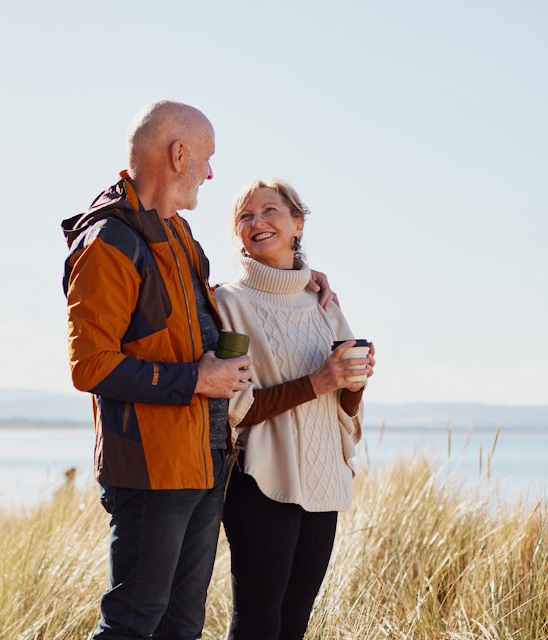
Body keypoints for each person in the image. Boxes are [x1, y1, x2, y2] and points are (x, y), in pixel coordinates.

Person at [61, 101, 334, 640]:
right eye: (206, 158)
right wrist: (195, 381)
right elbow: (90, 366)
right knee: (131, 624)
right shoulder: (109, 242)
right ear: (178, 153)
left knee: (181, 626)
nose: (211, 173)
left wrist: (303, 275)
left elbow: (209, 319)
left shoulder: (181, 237)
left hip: (205, 464)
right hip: (150, 468)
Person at [213, 179, 375, 640]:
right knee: (258, 624)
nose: (257, 222)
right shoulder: (229, 303)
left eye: (270, 211)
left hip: (324, 480)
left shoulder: (323, 302)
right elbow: (237, 409)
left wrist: (354, 383)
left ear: (297, 224)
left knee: (294, 624)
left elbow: (344, 408)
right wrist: (317, 381)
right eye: (245, 216)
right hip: (262, 480)